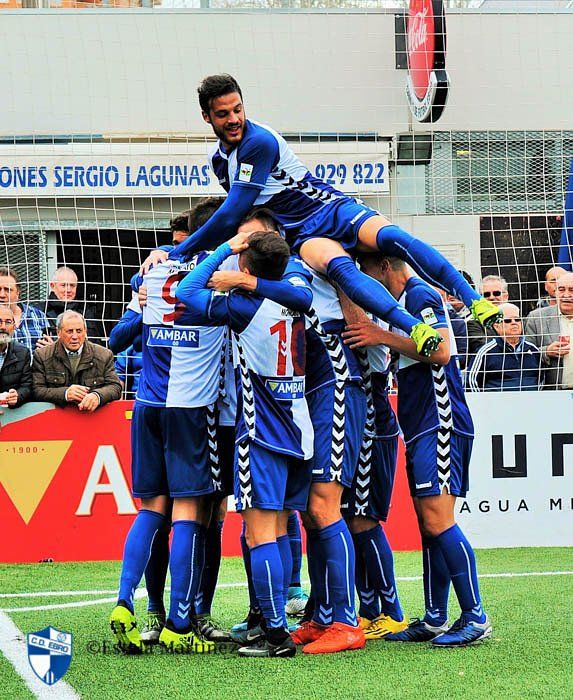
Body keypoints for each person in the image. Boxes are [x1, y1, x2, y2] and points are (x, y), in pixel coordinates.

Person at [142, 74, 501, 359]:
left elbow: (232, 212)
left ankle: (474, 301)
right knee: (339, 269)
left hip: (328, 206)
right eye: (223, 114)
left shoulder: (259, 142)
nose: (234, 119)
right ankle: (414, 328)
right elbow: (242, 213)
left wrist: (178, 253)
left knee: (394, 239)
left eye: (238, 109)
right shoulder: (218, 161)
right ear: (207, 117)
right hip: (300, 232)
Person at [176, 231, 314, 659]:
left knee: (260, 536)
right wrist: (250, 271)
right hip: (300, 426)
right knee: (277, 529)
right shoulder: (295, 293)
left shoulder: (243, 306)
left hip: (261, 432)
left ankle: (275, 634)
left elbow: (187, 291)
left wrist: (225, 251)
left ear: (248, 267)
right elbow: (298, 288)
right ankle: (272, 625)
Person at [343, 254, 491, 647]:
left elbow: (440, 350)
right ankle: (436, 617)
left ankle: (475, 616)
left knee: (439, 521)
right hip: (423, 425)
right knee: (430, 523)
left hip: (440, 421)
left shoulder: (419, 295)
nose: (364, 285)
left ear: (387, 267)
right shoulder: (402, 305)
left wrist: (382, 337)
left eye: (367, 275)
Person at [109, 240, 231, 655]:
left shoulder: (155, 271)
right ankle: (179, 622)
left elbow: (116, 335)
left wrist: (140, 286)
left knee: (150, 509)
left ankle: (125, 601)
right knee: (188, 511)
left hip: (146, 406)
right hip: (190, 409)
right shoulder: (219, 279)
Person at [339, 310, 407, 641]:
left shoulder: (368, 313)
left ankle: (392, 612)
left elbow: (355, 322)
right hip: (356, 424)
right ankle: (369, 611)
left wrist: (337, 274)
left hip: (373, 425)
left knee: (364, 520)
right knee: (351, 518)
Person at [32, 311, 121, 410]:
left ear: (85, 332)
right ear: (59, 332)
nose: (75, 337)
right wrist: (65, 394)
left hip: (92, 417)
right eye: (69, 331)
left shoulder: (104, 355)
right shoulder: (42, 356)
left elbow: (115, 387)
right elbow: (36, 390)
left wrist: (97, 396)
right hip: (56, 417)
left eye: (79, 331)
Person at [467, 303, 544, 391]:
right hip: (495, 403)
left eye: (517, 319)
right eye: (508, 321)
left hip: (531, 402)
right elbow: (471, 382)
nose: (514, 323)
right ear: (496, 326)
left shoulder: (533, 350)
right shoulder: (485, 352)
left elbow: (541, 378)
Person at [525, 271, 573, 389]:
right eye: (561, 290)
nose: (566, 295)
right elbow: (523, 355)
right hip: (552, 394)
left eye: (572, 290)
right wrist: (546, 351)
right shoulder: (537, 318)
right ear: (555, 292)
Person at [45, 266, 105, 344]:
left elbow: (95, 343)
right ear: (52, 286)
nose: (68, 290)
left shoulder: (86, 312)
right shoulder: (41, 311)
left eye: (72, 285)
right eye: (63, 285)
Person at [0, 266, 50, 354]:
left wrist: (51, 348)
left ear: (18, 293)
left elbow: (51, 346)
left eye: (8, 290)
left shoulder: (38, 316)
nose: (2, 294)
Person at [466, 275, 509, 355]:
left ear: (506, 296)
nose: (492, 297)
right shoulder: (473, 322)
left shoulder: (516, 319)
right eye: (486, 294)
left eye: (496, 293)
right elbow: (483, 348)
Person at [0, 305, 32, 409]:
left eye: (8, 322)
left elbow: (27, 386)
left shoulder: (23, 353)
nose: (3, 327)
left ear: (14, 326)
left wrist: (17, 396)